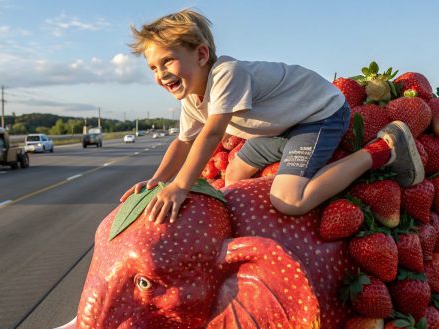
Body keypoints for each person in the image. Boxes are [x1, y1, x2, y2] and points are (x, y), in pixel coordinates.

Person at [121, 9, 423, 224]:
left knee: (289, 200)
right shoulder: (191, 97)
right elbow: (183, 143)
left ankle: (383, 149)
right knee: (233, 177)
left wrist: (180, 186)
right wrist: (158, 181)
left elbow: (212, 134)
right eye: (153, 68)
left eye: (168, 61)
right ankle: (264, 225)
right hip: (281, 130)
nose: (160, 74)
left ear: (201, 55)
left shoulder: (226, 73)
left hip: (318, 116)